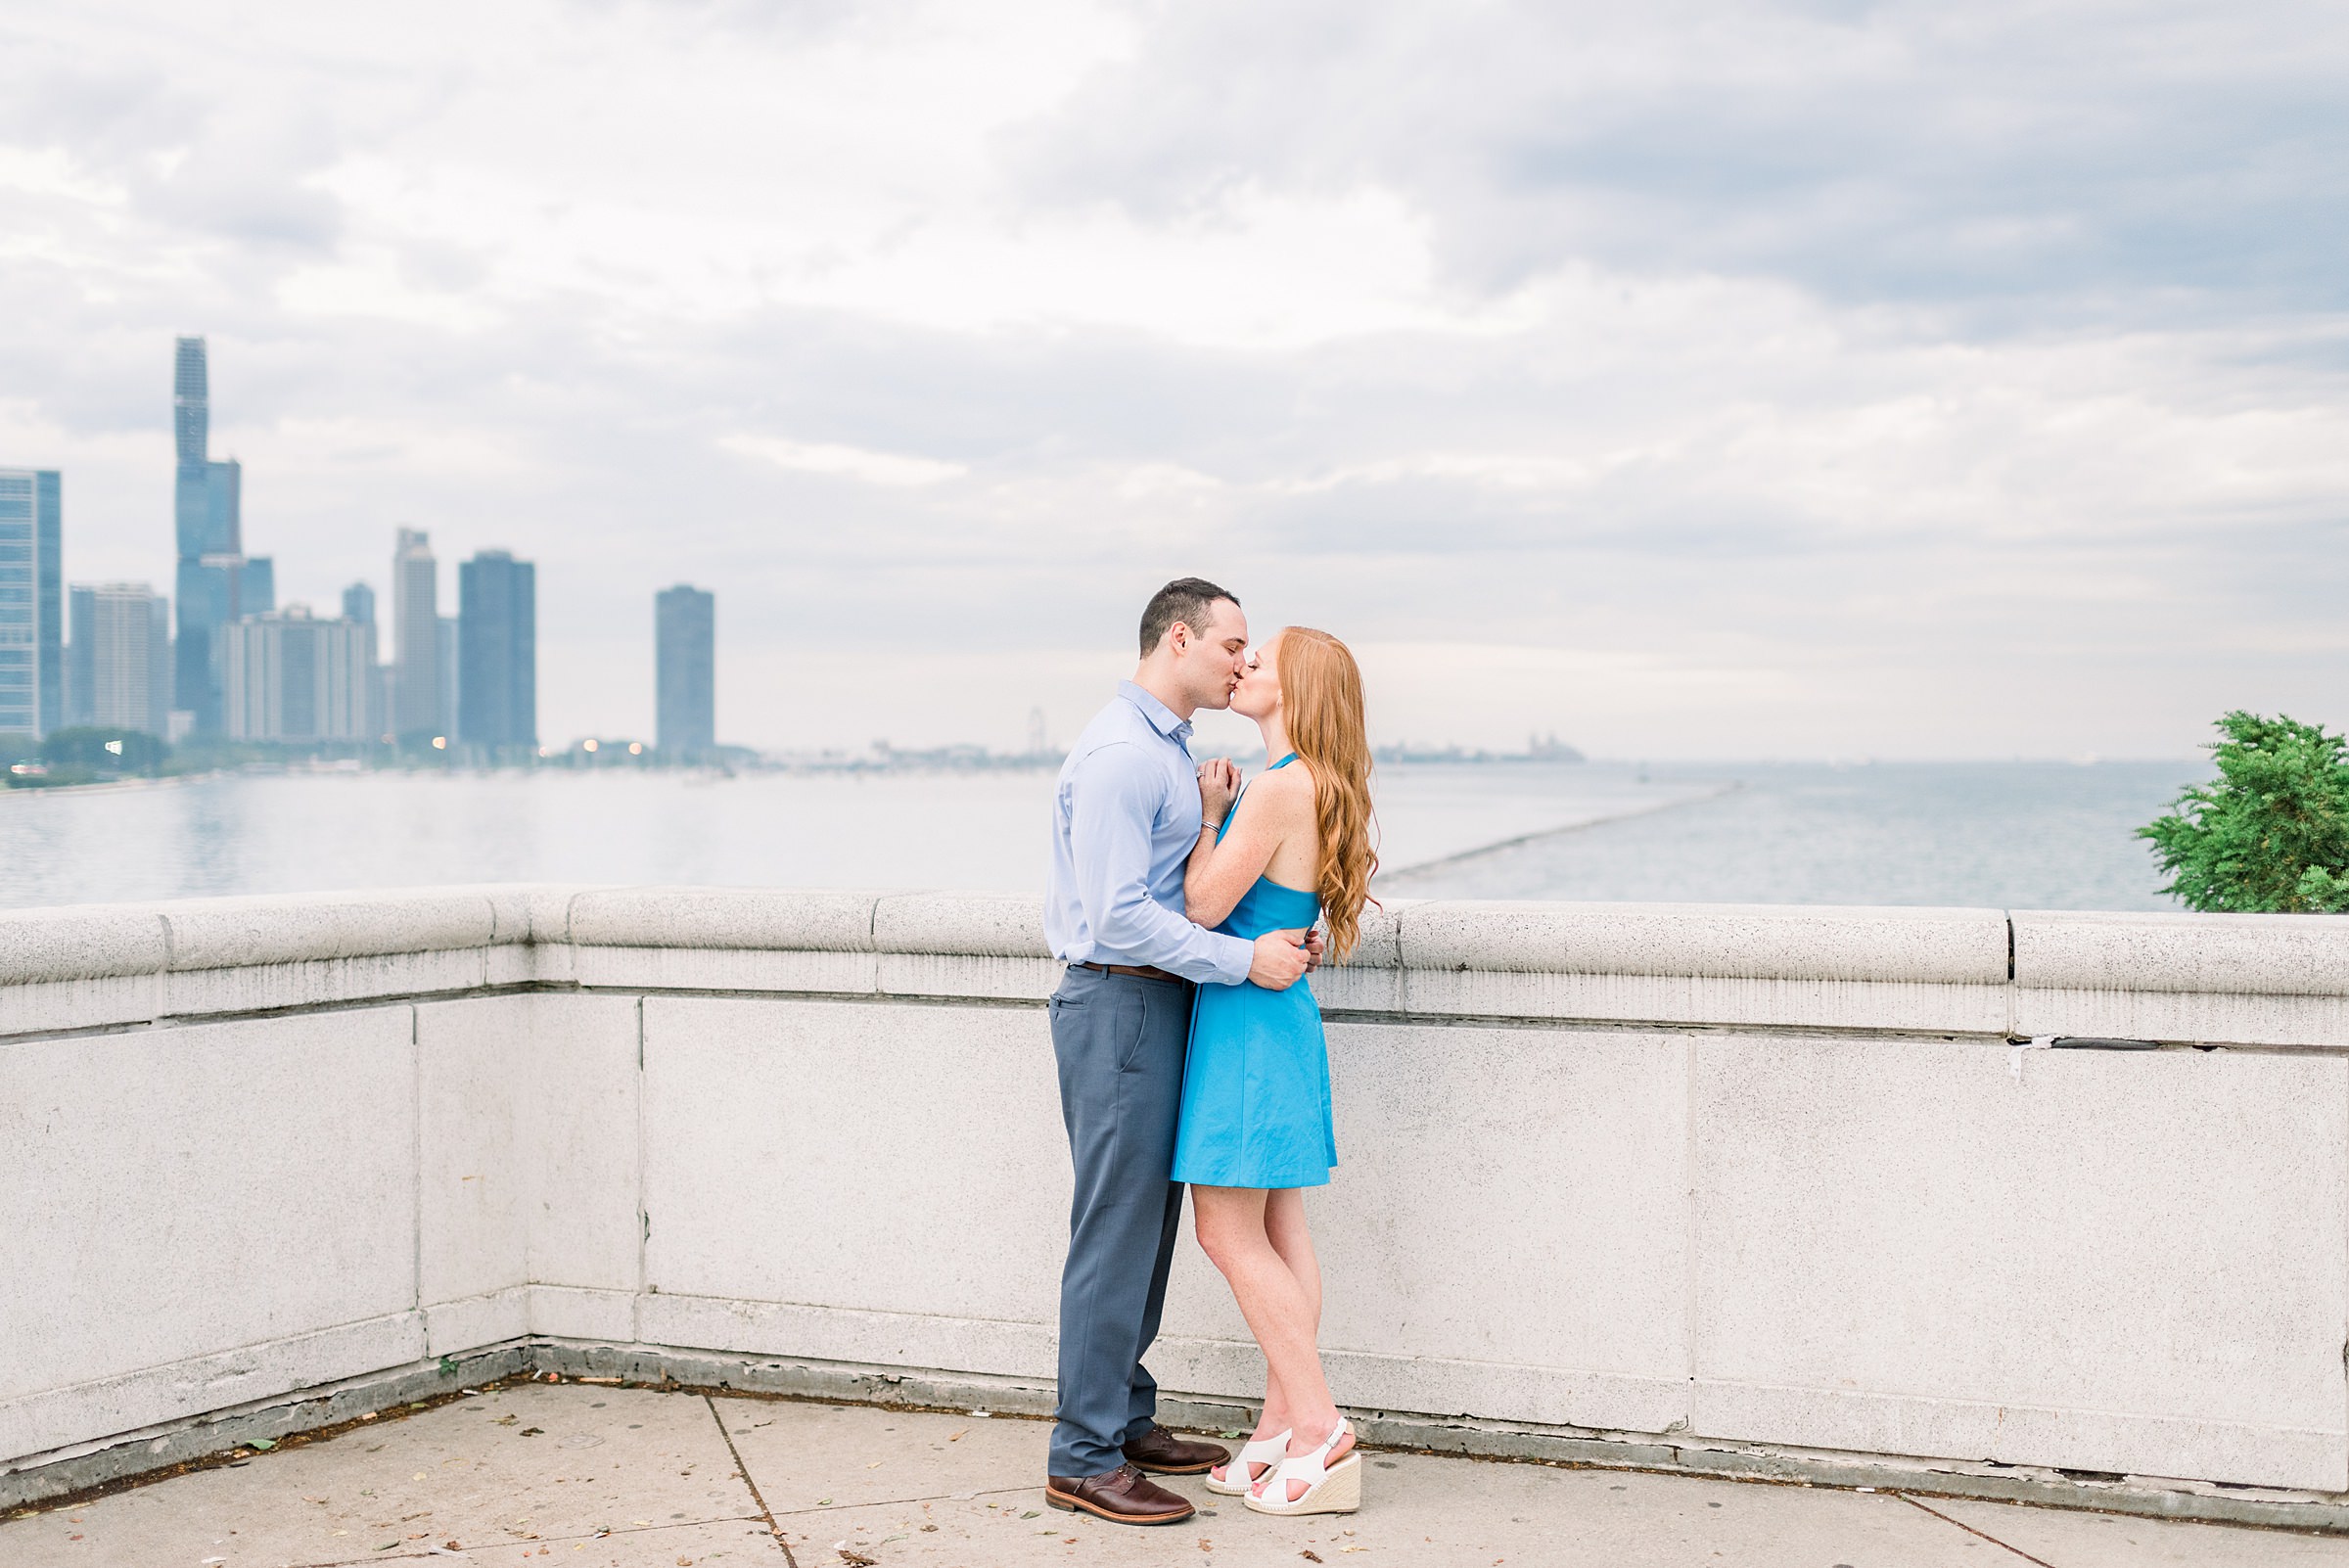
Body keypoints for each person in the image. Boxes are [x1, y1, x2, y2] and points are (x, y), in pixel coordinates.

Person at [1041, 577, 1318, 1528]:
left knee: (1149, 1228)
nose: (1243, 661)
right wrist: (1246, 960)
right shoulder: (1123, 755)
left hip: (1160, 1006)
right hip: (1117, 1003)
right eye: (1231, 643)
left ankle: (1121, 1418)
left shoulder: (1174, 752)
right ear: (1177, 638)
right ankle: (1081, 1455)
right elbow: (1121, 916)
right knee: (1117, 1228)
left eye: (1250, 650)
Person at [1174, 626, 1378, 1517]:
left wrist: (1210, 814)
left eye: (1262, 660)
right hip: (1280, 1020)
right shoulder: (1321, 787)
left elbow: (1204, 904)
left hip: (1247, 1025)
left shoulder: (1274, 787)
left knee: (1225, 1232)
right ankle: (1278, 1430)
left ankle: (1322, 1426)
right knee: (1282, 1226)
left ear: (1295, 687)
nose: (1245, 665)